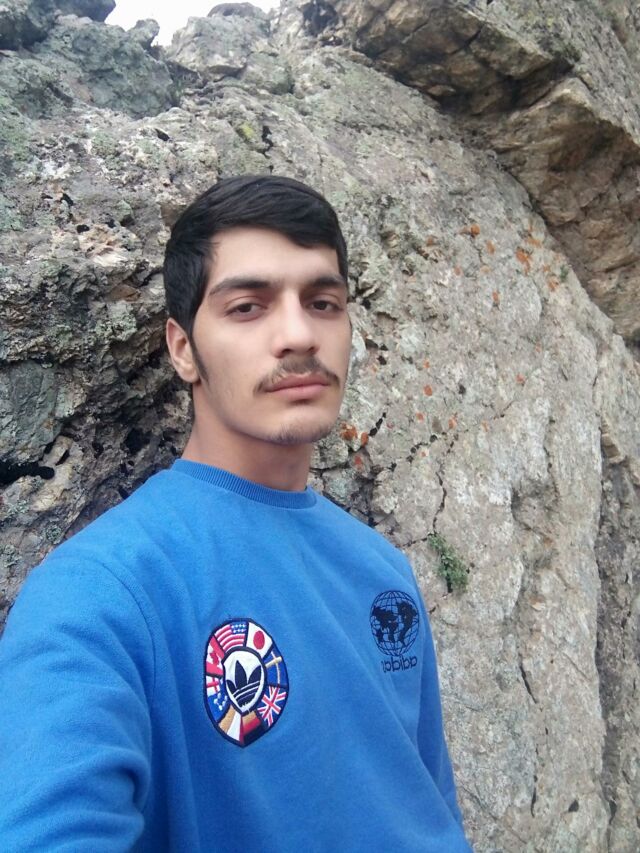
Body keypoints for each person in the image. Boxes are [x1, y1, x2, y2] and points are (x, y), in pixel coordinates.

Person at [0, 175, 472, 851]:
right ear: (183, 348)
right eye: (248, 307)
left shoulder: (383, 571)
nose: (298, 334)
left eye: (323, 302)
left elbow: (430, 809)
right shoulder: (100, 593)